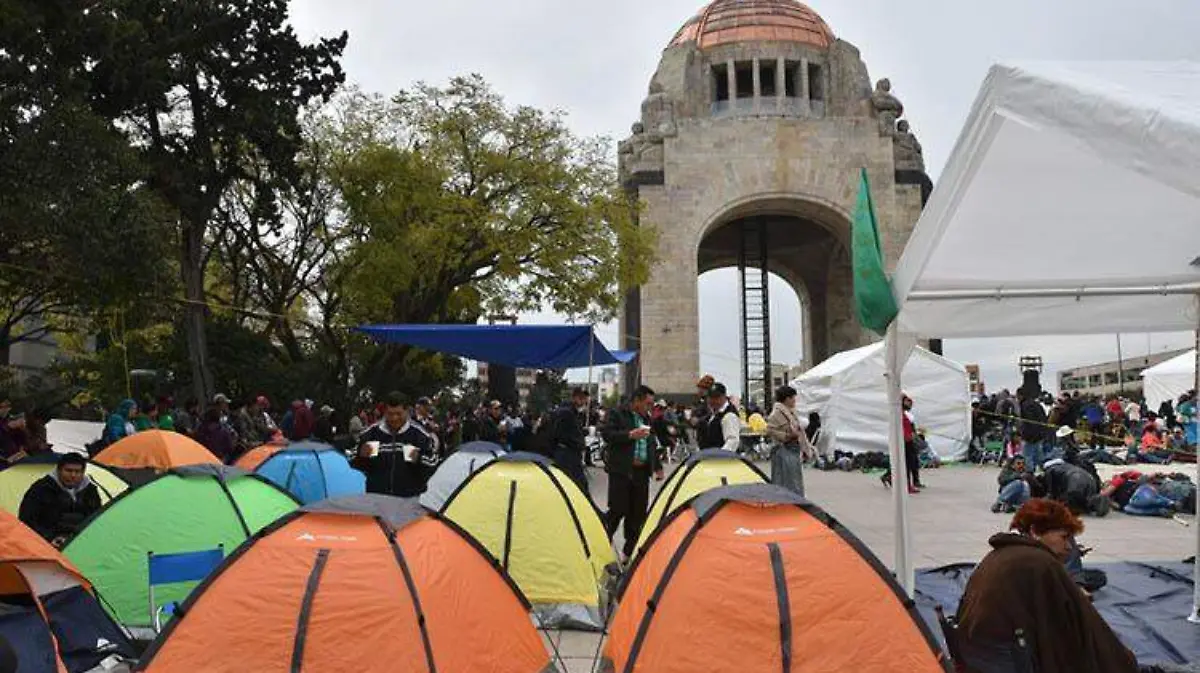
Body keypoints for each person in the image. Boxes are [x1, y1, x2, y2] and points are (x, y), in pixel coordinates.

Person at [955, 499, 1139, 673]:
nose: (1068, 547)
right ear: (1035, 531)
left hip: (977, 657)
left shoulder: (998, 555)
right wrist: (1124, 662)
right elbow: (1085, 623)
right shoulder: (1039, 563)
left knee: (1095, 579)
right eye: (1064, 537)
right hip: (1009, 660)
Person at [601, 385, 663, 561]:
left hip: (641, 473)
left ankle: (628, 554)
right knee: (617, 510)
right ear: (637, 400)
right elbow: (608, 434)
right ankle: (600, 544)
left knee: (637, 514)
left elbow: (651, 443)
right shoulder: (617, 414)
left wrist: (657, 465)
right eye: (647, 403)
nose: (650, 407)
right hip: (621, 471)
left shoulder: (647, 418)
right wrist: (629, 435)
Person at [352, 392, 435, 497]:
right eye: (390, 414)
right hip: (376, 499)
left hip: (409, 501)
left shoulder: (420, 435)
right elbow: (351, 460)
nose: (394, 418)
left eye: (398, 414)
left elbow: (433, 463)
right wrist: (360, 455)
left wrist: (419, 458)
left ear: (407, 411)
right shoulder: (370, 434)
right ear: (385, 412)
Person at [18, 453, 102, 546]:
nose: (73, 475)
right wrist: (50, 538)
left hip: (83, 542)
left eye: (77, 471)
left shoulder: (90, 490)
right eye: (68, 471)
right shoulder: (41, 489)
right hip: (49, 544)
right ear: (58, 470)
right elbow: (27, 520)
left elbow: (97, 518)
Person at [766, 385, 812, 496]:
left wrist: (805, 448)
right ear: (787, 399)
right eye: (793, 398)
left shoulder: (790, 412)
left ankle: (795, 502)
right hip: (783, 450)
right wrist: (787, 436)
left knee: (794, 481)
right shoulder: (776, 414)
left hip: (793, 449)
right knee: (786, 481)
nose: (794, 401)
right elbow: (770, 430)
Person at [550, 387, 591, 493]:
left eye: (585, 398)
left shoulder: (574, 413)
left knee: (577, 485)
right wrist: (576, 441)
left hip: (572, 454)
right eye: (581, 398)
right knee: (576, 485)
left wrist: (581, 433)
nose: (584, 401)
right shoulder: (566, 412)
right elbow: (559, 433)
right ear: (574, 398)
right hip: (567, 454)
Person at [881, 393, 921, 493]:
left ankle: (891, 478)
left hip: (907, 440)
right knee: (906, 464)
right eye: (907, 401)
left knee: (907, 463)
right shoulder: (898, 414)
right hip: (904, 441)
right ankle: (906, 485)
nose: (909, 404)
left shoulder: (904, 414)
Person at [698, 383, 740, 452]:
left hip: (722, 460)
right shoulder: (712, 415)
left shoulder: (729, 416)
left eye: (716, 397)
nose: (713, 400)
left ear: (724, 396)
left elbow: (732, 442)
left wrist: (720, 456)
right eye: (710, 397)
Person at [1019, 389, 1051, 468]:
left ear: (1021, 395)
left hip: (1030, 436)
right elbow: (1043, 419)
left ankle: (1030, 473)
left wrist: (1027, 435)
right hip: (1040, 434)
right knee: (1039, 456)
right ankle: (1044, 471)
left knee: (1027, 456)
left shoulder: (1025, 405)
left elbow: (1029, 421)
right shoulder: (1037, 404)